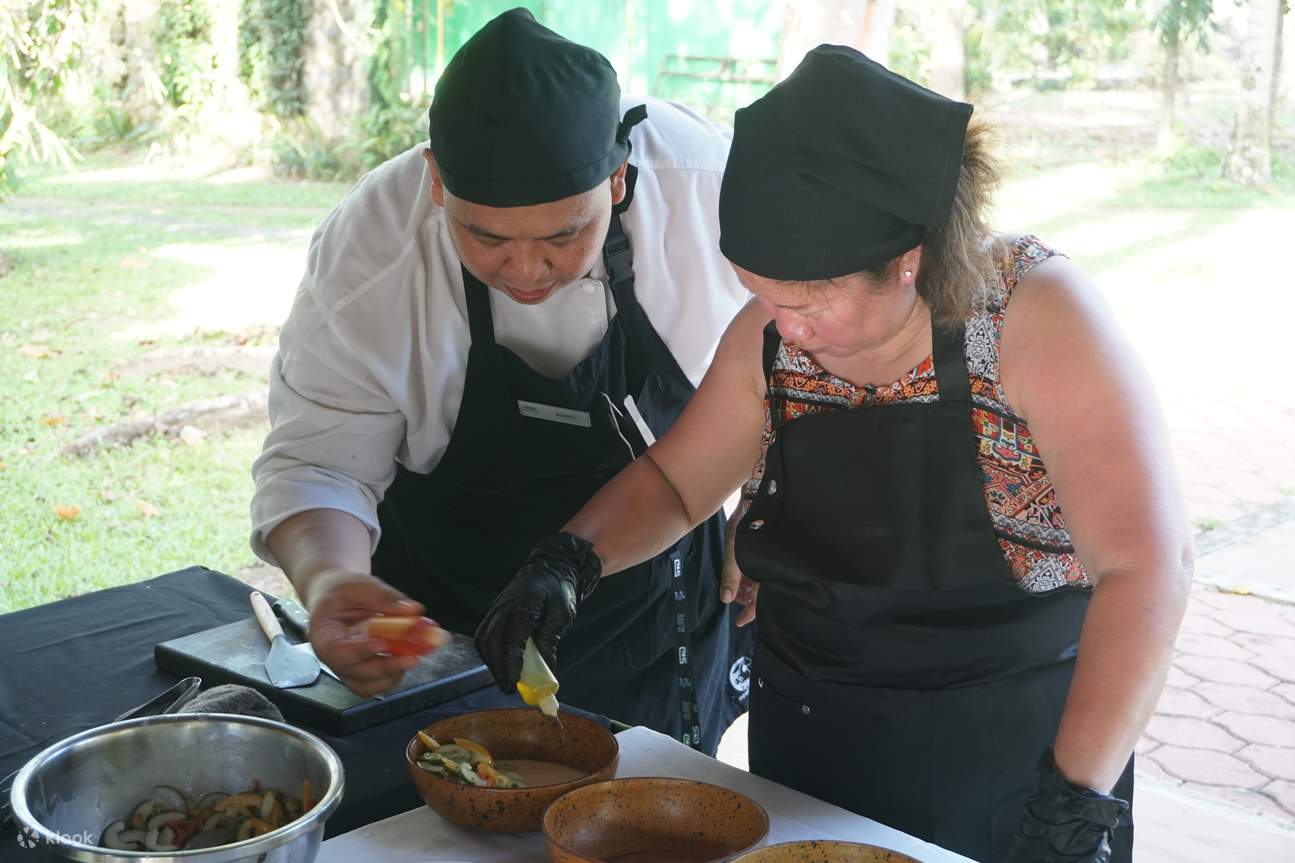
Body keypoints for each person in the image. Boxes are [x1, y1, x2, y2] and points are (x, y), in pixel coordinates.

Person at [474, 46, 1193, 863]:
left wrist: (1074, 801)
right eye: (762, 294)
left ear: (906, 260)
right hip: (813, 753)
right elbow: (677, 483)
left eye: (808, 301)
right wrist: (569, 558)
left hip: (1015, 771)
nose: (785, 327)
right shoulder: (772, 338)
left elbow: (1146, 565)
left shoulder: (1032, 319)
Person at [250, 8, 753, 754]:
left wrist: (779, 489)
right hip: (439, 620)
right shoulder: (372, 249)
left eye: (562, 235)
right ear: (435, 180)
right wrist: (328, 578)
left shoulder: (707, 189)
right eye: (484, 237)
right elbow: (318, 459)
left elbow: (800, 345)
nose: (525, 272)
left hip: (657, 593)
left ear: (617, 180)